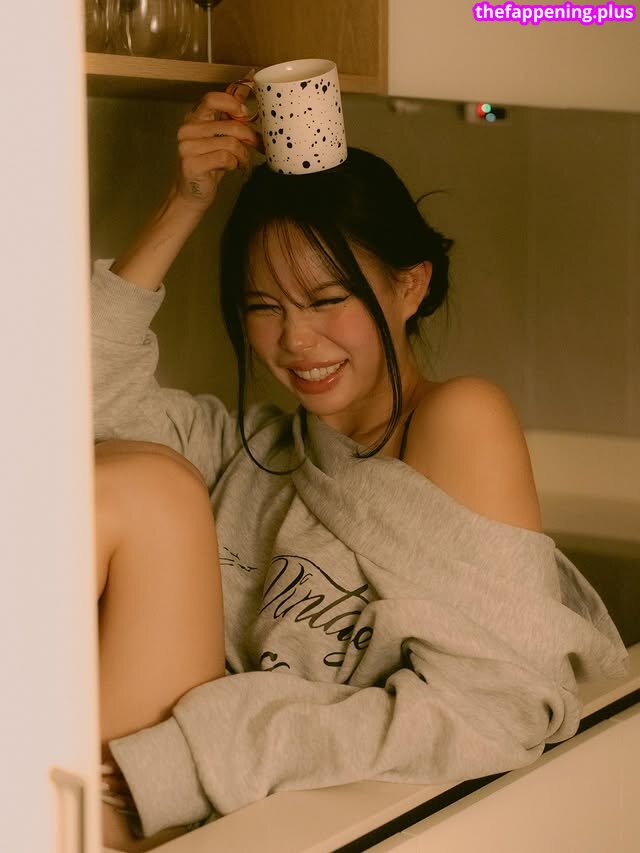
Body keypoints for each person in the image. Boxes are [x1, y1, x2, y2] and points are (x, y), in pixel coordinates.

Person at [93, 86, 627, 852]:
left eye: (326, 299)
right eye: (264, 306)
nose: (296, 339)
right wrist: (183, 203)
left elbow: (496, 705)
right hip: (156, 797)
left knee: (148, 488)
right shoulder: (246, 451)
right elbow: (63, 412)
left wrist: (194, 753)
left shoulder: (456, 420)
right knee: (132, 480)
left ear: (410, 285)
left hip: (254, 810)